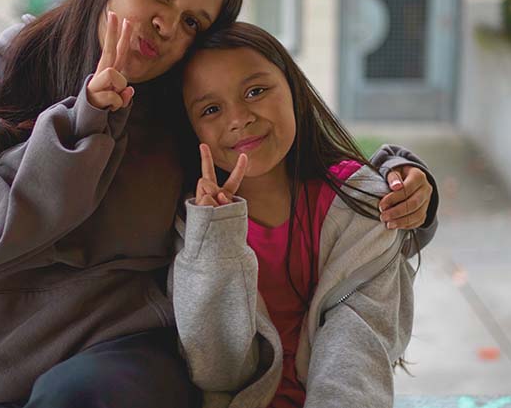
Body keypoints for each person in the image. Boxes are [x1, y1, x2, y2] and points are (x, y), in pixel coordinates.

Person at [0, 0, 438, 408]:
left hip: (127, 354)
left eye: (192, 23)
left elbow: (281, 155)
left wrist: (399, 180)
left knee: (77, 395)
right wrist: (80, 126)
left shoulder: (173, 108)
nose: (166, 26)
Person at [173, 22, 423, 408]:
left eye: (255, 91)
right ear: (192, 130)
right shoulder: (193, 224)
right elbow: (219, 371)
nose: (238, 118)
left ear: (293, 88)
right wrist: (214, 239)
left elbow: (359, 351)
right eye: (211, 109)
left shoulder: (363, 205)